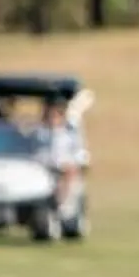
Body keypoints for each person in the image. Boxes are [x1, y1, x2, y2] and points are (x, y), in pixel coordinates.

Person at [41, 94, 89, 225]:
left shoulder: (69, 133)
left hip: (62, 171)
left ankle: (62, 210)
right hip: (40, 170)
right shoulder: (39, 132)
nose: (52, 118)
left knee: (68, 174)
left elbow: (79, 156)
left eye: (55, 114)